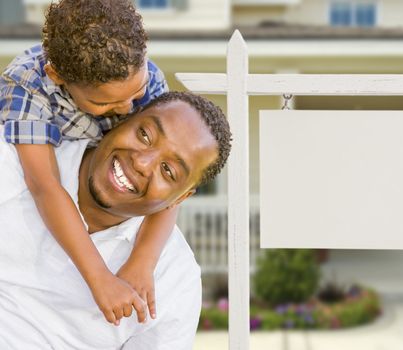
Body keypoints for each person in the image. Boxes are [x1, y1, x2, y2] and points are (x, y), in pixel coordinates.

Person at [0, 91, 232, 349]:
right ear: (122, 119)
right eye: (145, 135)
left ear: (180, 199)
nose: (143, 163)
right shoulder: (14, 161)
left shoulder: (174, 277)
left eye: (168, 171)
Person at [0, 0, 181, 324]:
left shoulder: (147, 78)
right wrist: (99, 278)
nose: (127, 109)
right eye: (104, 102)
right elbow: (44, 185)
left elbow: (173, 189)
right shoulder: (28, 83)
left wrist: (143, 260)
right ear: (57, 76)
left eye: (135, 94)